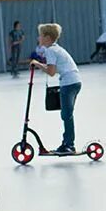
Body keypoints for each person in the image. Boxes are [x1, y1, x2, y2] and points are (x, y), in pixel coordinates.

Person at [30, 23, 82, 154]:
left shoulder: (50, 50)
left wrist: (36, 64)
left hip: (68, 83)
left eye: (40, 35)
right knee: (67, 114)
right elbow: (54, 68)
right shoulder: (56, 48)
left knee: (66, 115)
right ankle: (67, 143)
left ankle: (69, 145)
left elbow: (51, 72)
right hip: (75, 81)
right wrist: (40, 64)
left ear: (47, 37)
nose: (38, 38)